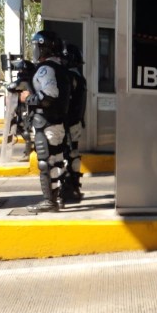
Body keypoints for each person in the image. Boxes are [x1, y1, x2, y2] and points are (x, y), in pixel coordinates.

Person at [20, 30, 71, 213]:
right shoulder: (60, 68)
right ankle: (57, 198)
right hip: (57, 123)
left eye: (37, 46)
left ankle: (49, 200)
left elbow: (50, 95)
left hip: (47, 123)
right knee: (56, 162)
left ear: (44, 47)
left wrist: (27, 98)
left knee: (46, 163)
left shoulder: (45, 69)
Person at [61, 43, 88, 203]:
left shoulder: (70, 77)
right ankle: (75, 186)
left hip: (69, 122)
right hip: (76, 122)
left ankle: (69, 188)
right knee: (73, 154)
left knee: (67, 155)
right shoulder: (79, 77)